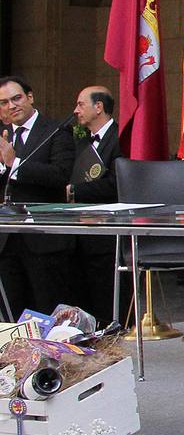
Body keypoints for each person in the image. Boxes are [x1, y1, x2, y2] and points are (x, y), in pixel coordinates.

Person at [0, 75, 76, 316]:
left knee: (48, 309)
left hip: (44, 240)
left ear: (30, 97)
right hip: (7, 240)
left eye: (16, 98)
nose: (11, 106)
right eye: (3, 103)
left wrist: (14, 163)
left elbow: (61, 174)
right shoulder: (3, 136)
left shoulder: (56, 130)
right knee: (13, 310)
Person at [66, 85, 122, 322]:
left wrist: (74, 191)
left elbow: (117, 183)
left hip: (109, 234)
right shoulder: (80, 141)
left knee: (107, 296)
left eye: (81, 104)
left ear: (99, 107)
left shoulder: (121, 137)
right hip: (82, 234)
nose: (76, 110)